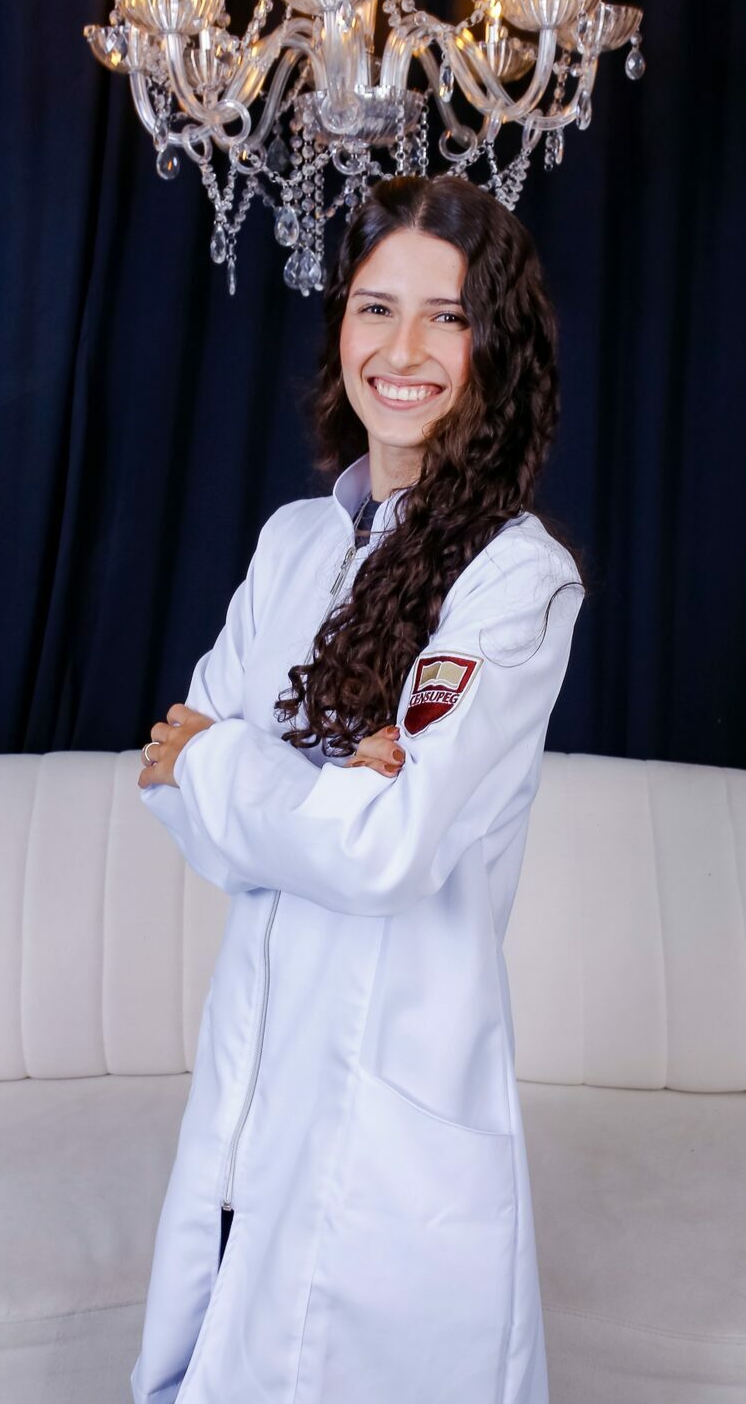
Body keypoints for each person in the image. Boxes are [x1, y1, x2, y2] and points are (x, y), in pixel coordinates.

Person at [131, 173, 586, 1404]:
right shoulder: (292, 542)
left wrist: (228, 758)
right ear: (339, 322)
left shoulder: (514, 582)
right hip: (251, 1076)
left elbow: (385, 847)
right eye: (375, 306)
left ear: (495, 347)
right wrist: (310, 780)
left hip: (394, 1103)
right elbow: (170, 792)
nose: (402, 350)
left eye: (446, 316)